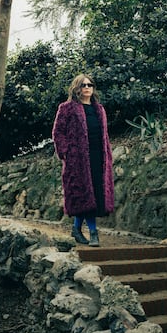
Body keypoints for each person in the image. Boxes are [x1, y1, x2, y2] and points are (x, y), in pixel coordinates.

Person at [52, 74, 114, 247]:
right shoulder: (67, 108)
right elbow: (58, 133)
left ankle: (76, 228)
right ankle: (93, 233)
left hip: (98, 158)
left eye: (90, 85)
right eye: (83, 85)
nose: (87, 87)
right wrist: (66, 153)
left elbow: (104, 135)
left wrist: (108, 156)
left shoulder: (99, 109)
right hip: (77, 161)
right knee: (85, 194)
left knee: (93, 194)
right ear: (76, 88)